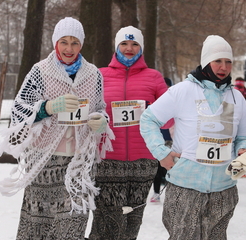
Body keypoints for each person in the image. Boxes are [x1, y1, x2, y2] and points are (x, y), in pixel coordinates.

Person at [0, 17, 113, 240]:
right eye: (64, 42)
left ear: (82, 44)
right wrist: (47, 107)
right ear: (55, 43)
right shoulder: (40, 71)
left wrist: (100, 121)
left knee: (74, 224)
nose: (69, 48)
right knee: (39, 226)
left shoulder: (94, 74)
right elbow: (19, 110)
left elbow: (99, 108)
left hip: (80, 161)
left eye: (75, 42)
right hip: (45, 162)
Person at [140, 35, 246, 239]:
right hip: (186, 186)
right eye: (218, 60)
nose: (223, 67)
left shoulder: (237, 97)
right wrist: (162, 153)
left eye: (228, 61)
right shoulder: (183, 91)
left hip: (224, 188)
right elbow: (148, 119)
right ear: (205, 62)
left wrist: (244, 151)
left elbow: (245, 137)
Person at [88, 26, 170, 240]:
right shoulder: (100, 75)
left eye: (135, 44)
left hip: (143, 163)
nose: (129, 48)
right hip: (107, 161)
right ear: (117, 47)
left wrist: (151, 107)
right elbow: (86, 112)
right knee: (105, 223)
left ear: (141, 48)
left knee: (131, 225)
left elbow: (171, 118)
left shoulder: (154, 77)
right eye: (124, 43)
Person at [150, 77, 173, 203]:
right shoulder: (155, 102)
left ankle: (171, 193)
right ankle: (156, 193)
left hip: (170, 140)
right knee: (157, 168)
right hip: (157, 139)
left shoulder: (174, 101)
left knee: (170, 167)